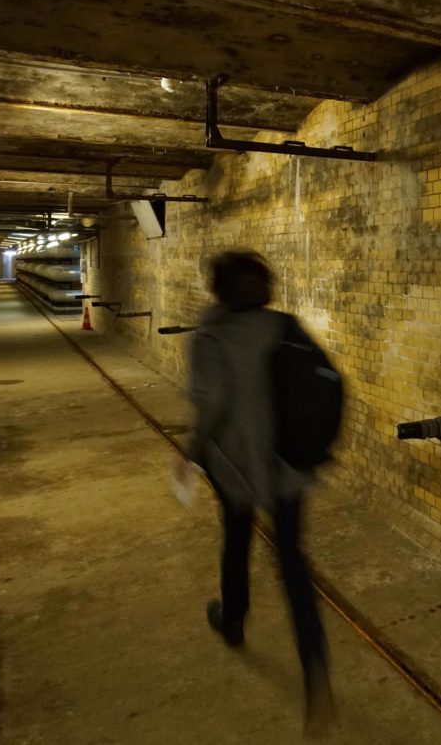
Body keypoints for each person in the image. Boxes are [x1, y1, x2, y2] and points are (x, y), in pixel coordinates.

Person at [176, 250, 334, 733]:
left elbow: (212, 406)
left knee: (238, 541)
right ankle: (315, 667)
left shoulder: (211, 337)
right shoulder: (285, 326)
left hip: (236, 467)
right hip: (287, 466)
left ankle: (235, 619)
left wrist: (192, 455)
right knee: (291, 561)